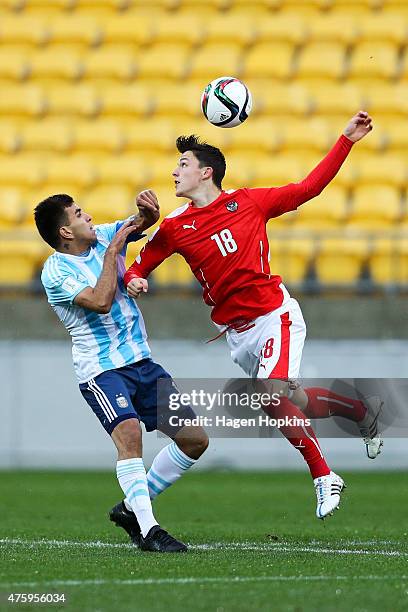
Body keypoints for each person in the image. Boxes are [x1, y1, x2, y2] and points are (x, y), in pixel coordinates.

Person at [124, 111, 383, 521]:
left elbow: (308, 188)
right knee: (293, 400)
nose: (174, 172)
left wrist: (346, 140)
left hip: (274, 314)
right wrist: (136, 280)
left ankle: (324, 475)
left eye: (183, 165)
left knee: (271, 393)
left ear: (206, 173)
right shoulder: (175, 226)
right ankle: (360, 411)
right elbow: (140, 264)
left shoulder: (249, 202)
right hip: (237, 334)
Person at [34, 192, 208, 552]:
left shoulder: (102, 235)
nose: (89, 216)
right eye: (80, 214)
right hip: (102, 370)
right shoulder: (56, 271)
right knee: (130, 436)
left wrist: (147, 212)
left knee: (195, 440)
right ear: (66, 232)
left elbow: (139, 223)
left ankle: (131, 509)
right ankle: (150, 530)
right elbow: (99, 302)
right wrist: (113, 251)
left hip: (142, 362)